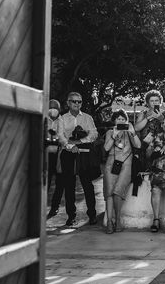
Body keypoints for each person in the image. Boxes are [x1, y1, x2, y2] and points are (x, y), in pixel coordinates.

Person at [57, 92, 99, 226]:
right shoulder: (62, 118)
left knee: (87, 185)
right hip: (68, 154)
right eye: (73, 101)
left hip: (84, 154)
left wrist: (80, 142)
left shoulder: (87, 118)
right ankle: (71, 216)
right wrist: (70, 146)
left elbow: (94, 134)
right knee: (69, 186)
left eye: (79, 101)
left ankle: (92, 215)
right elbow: (60, 137)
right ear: (68, 103)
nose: (76, 103)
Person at [102, 109, 141, 234]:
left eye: (123, 119)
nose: (121, 121)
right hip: (111, 164)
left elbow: (138, 146)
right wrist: (114, 134)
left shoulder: (129, 133)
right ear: (114, 120)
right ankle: (109, 222)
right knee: (109, 193)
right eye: (118, 119)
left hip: (126, 164)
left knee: (118, 192)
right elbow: (106, 147)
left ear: (127, 121)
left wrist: (133, 132)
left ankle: (118, 220)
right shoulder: (110, 132)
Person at [46, 99, 65, 219]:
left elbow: (64, 138)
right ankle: (41, 206)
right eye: (51, 107)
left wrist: (58, 137)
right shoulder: (43, 119)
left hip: (59, 155)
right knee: (45, 182)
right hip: (46, 155)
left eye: (55, 108)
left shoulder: (62, 120)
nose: (53, 110)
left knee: (60, 183)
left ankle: (55, 207)